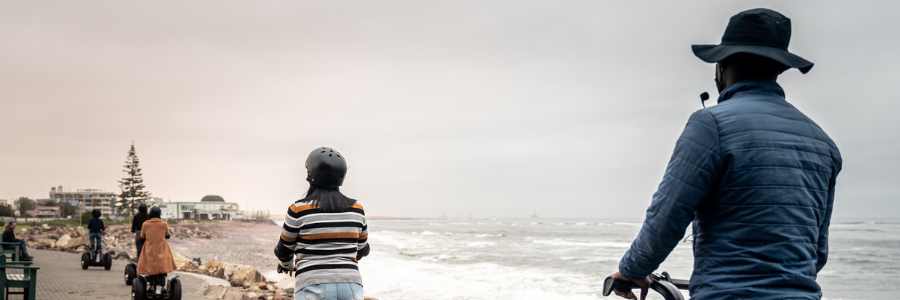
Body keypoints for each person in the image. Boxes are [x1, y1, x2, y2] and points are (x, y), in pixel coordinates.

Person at [610, 8, 842, 300]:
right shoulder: (824, 144)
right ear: (778, 70)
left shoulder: (710, 124)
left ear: (720, 66)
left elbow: (666, 218)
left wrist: (631, 270)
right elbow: (817, 251)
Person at [274, 147, 370, 300]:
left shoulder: (299, 209)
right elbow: (363, 249)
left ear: (310, 173)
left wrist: (286, 265)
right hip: (351, 285)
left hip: (312, 284)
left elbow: (283, 250)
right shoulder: (357, 210)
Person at [137, 206, 177, 294]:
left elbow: (142, 236)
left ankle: (152, 287)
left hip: (149, 248)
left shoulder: (145, 224)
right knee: (162, 268)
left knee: (151, 268)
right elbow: (167, 235)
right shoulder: (163, 224)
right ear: (159, 214)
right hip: (161, 248)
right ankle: (163, 288)